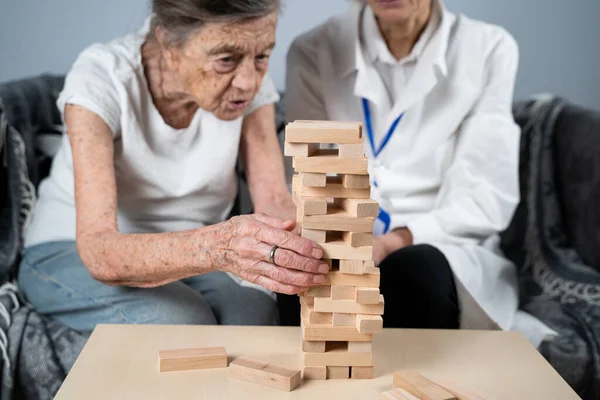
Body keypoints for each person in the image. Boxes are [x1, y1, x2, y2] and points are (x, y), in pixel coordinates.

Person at [18, 0, 330, 337]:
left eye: (263, 55)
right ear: (168, 45)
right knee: (182, 323)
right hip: (69, 249)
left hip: (195, 254)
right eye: (226, 60)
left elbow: (273, 200)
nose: (248, 82)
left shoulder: (248, 84)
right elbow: (98, 252)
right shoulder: (101, 77)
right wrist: (219, 246)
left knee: (253, 313)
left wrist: (328, 244)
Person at [282, 0, 556, 341]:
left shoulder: (488, 48)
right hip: (343, 230)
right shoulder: (312, 50)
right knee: (301, 279)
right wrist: (344, 242)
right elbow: (312, 176)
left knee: (410, 275)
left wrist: (390, 242)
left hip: (440, 238)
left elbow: (485, 194)